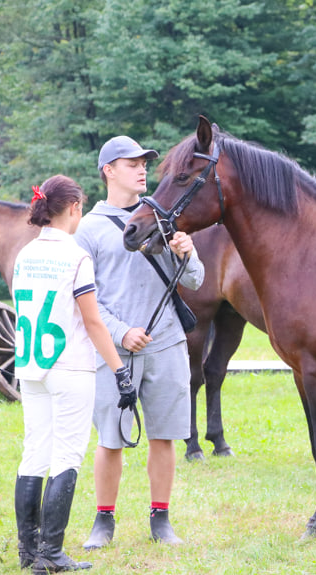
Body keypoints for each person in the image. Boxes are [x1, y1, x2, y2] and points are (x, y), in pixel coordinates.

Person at [74, 136, 204, 548]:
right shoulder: (88, 229)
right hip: (115, 351)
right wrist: (120, 332)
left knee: (164, 436)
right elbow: (84, 301)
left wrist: (188, 252)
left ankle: (161, 519)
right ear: (109, 171)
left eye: (144, 163)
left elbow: (195, 281)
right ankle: (104, 520)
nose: (142, 169)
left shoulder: (162, 219)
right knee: (111, 438)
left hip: (166, 343)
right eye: (131, 164)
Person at [13, 175, 133, 573]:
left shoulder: (25, 254)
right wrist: (121, 373)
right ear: (75, 208)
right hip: (69, 367)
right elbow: (93, 323)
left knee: (34, 452)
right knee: (66, 454)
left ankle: (28, 550)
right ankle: (51, 553)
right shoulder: (76, 256)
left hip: (31, 366)